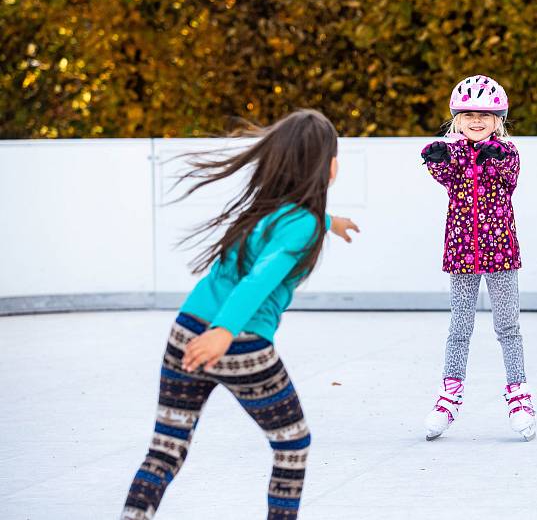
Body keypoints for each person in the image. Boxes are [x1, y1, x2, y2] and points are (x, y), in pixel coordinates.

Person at [121, 109, 360, 519]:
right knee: (292, 442)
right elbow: (259, 280)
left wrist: (330, 222)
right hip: (238, 341)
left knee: (166, 449)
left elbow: (293, 225)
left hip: (187, 331)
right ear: (330, 167)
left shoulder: (266, 210)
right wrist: (225, 331)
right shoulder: (300, 222)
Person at [421, 75, 536, 441]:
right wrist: (436, 159)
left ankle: (519, 396)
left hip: (500, 251)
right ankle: (449, 397)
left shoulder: (508, 152)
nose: (476, 121)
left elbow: (510, 174)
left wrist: (495, 157)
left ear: (498, 119)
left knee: (507, 326)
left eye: (484, 115)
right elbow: (443, 172)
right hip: (461, 252)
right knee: (459, 327)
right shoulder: (453, 152)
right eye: (468, 114)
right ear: (457, 118)